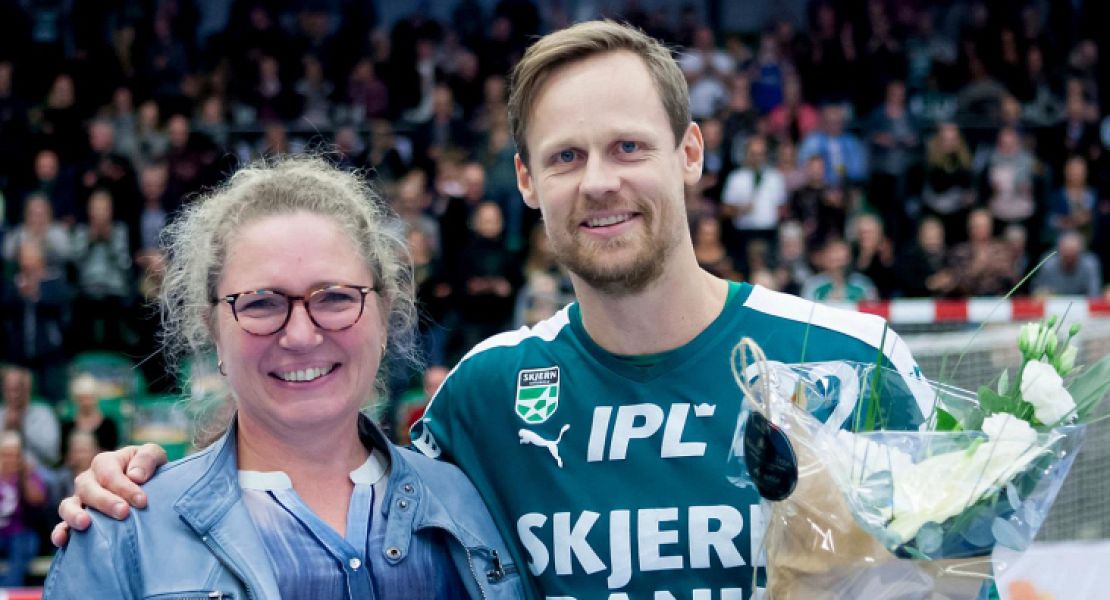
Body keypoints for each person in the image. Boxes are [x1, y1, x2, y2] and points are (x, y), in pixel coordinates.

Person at [57, 22, 925, 599]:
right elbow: (323, 462)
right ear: (526, 181)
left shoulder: (854, 362)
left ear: (690, 152)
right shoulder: (485, 399)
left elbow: (949, 574)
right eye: (566, 156)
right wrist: (137, 482)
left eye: (628, 146)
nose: (599, 182)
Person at [45, 157, 523, 599]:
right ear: (213, 332)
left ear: (384, 315)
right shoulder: (121, 533)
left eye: (335, 297)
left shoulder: (470, 505)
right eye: (260, 303)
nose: (300, 335)